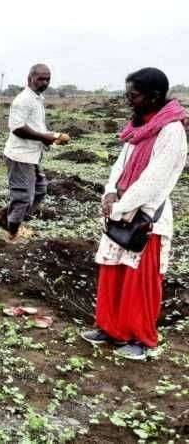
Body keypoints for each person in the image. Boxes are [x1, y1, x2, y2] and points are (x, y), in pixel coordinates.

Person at [81, 67, 187, 360]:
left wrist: (120, 206)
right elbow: (120, 166)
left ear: (154, 96)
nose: (129, 100)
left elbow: (156, 178)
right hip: (121, 209)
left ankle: (140, 339)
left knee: (139, 278)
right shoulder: (137, 128)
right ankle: (108, 328)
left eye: (134, 95)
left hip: (146, 216)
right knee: (113, 270)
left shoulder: (172, 131)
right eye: (127, 94)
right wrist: (110, 192)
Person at [0, 64, 70, 241]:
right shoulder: (23, 100)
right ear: (30, 78)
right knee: (23, 197)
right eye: (41, 78)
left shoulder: (37, 98)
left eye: (47, 78)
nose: (44, 82)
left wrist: (53, 137)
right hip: (20, 156)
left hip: (32, 155)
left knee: (40, 190)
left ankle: (3, 213)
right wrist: (44, 137)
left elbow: (37, 127)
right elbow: (17, 128)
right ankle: (12, 233)